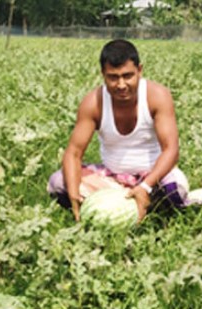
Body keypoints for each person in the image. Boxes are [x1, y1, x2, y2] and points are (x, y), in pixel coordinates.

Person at [47, 39, 189, 222]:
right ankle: (132, 203)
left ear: (140, 70)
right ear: (103, 75)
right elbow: (73, 153)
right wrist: (74, 194)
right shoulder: (93, 103)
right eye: (113, 77)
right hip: (111, 178)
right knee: (59, 182)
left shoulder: (157, 96)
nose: (121, 85)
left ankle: (137, 201)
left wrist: (145, 186)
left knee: (173, 188)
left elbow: (171, 150)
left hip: (153, 177)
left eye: (127, 76)